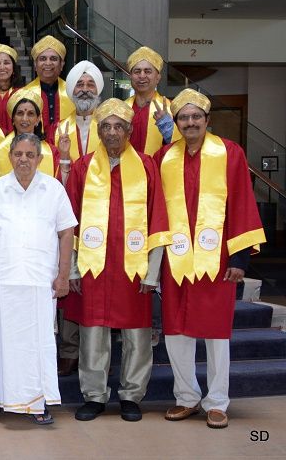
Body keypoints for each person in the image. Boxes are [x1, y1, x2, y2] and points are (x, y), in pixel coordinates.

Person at [155, 89, 265, 430]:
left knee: (217, 334)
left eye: (195, 117)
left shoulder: (229, 153)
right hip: (176, 260)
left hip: (217, 259)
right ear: (176, 123)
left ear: (207, 120)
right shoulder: (164, 157)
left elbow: (242, 204)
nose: (190, 123)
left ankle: (217, 402)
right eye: (183, 118)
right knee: (176, 332)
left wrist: (240, 258)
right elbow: (155, 211)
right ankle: (186, 397)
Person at [65, 98, 170, 423]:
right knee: (93, 331)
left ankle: (131, 395)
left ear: (129, 131)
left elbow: (158, 221)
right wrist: (71, 267)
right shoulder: (83, 167)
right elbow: (68, 223)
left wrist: (153, 272)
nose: (112, 133)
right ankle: (94, 396)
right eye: (106, 127)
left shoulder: (147, 166)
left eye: (118, 127)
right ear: (99, 131)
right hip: (93, 266)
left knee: (137, 333)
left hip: (133, 267)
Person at [0, 133, 77, 425]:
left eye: (30, 155)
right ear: (10, 156)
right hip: (1, 279)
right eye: (18, 154)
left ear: (40, 159)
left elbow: (66, 232)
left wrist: (63, 274)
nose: (24, 160)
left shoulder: (53, 189)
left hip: (40, 280)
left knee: (38, 342)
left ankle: (38, 403)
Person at [52, 60, 103, 377]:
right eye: (79, 85)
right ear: (71, 91)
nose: (85, 89)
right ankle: (69, 351)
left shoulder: (111, 123)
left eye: (90, 84)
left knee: (98, 281)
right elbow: (52, 172)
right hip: (68, 210)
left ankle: (97, 351)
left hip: (103, 211)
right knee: (69, 278)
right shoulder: (60, 128)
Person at [0, 89, 62, 179]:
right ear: (13, 118)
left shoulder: (52, 153)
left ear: (38, 119)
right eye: (20, 113)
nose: (25, 119)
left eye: (30, 114)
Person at [125, 46, 179, 155]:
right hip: (126, 169)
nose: (142, 76)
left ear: (158, 77)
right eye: (137, 71)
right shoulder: (121, 108)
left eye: (148, 71)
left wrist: (170, 131)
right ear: (130, 76)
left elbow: (182, 147)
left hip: (159, 169)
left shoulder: (173, 109)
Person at [23, 35, 74, 132]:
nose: (48, 63)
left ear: (62, 64)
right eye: (42, 59)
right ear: (35, 64)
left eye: (53, 59)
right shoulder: (24, 94)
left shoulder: (73, 93)